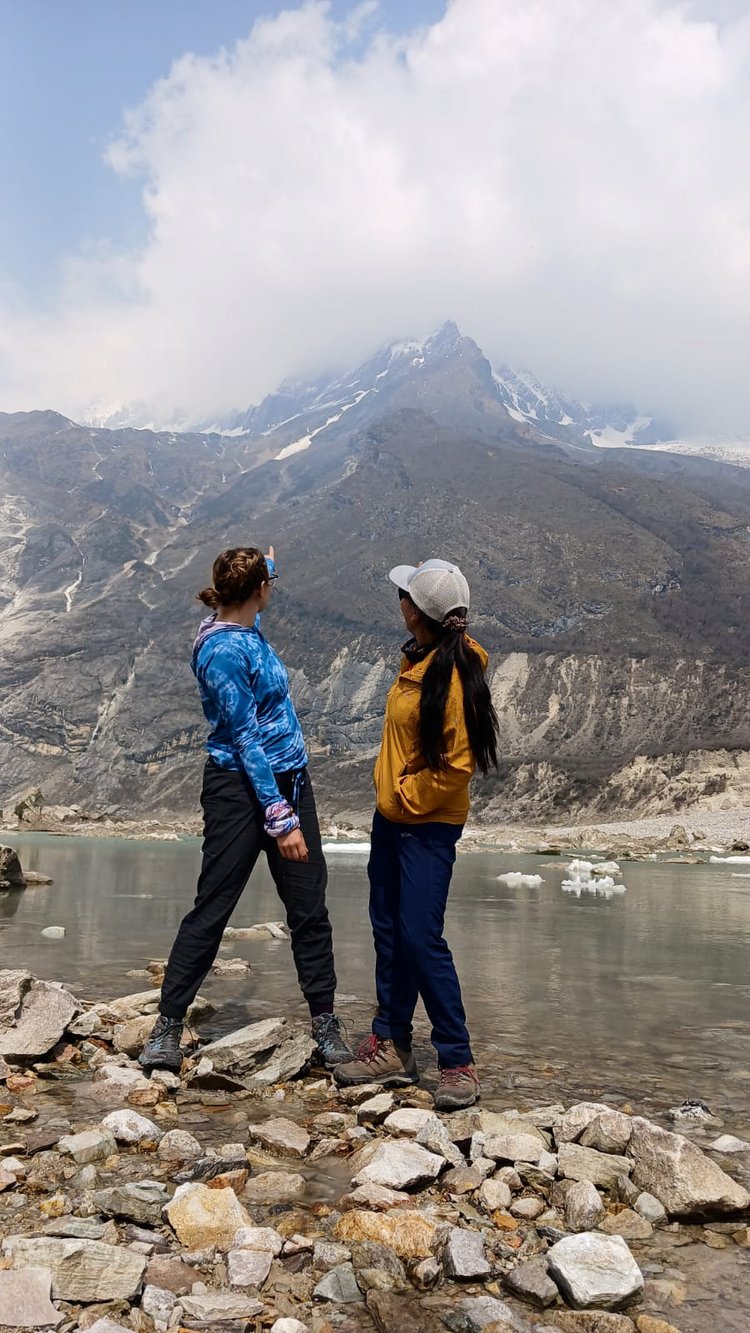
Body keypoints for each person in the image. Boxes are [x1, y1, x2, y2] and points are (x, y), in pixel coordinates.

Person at [139, 545, 351, 1073]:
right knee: (213, 907)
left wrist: (268, 565)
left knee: (309, 912)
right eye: (268, 582)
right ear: (259, 591)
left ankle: (325, 1027)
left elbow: (251, 586)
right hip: (242, 791)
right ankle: (166, 1027)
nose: (271, 588)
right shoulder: (223, 651)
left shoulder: (239, 619)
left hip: (291, 781)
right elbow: (246, 737)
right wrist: (280, 817)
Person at [335, 559, 498, 1111]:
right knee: (389, 930)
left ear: (416, 611)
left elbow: (458, 765)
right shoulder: (420, 658)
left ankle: (456, 1061)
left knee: (421, 937)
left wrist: (403, 797)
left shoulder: (453, 675)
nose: (398, 601)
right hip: (394, 823)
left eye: (404, 595)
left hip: (425, 826)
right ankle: (392, 1043)